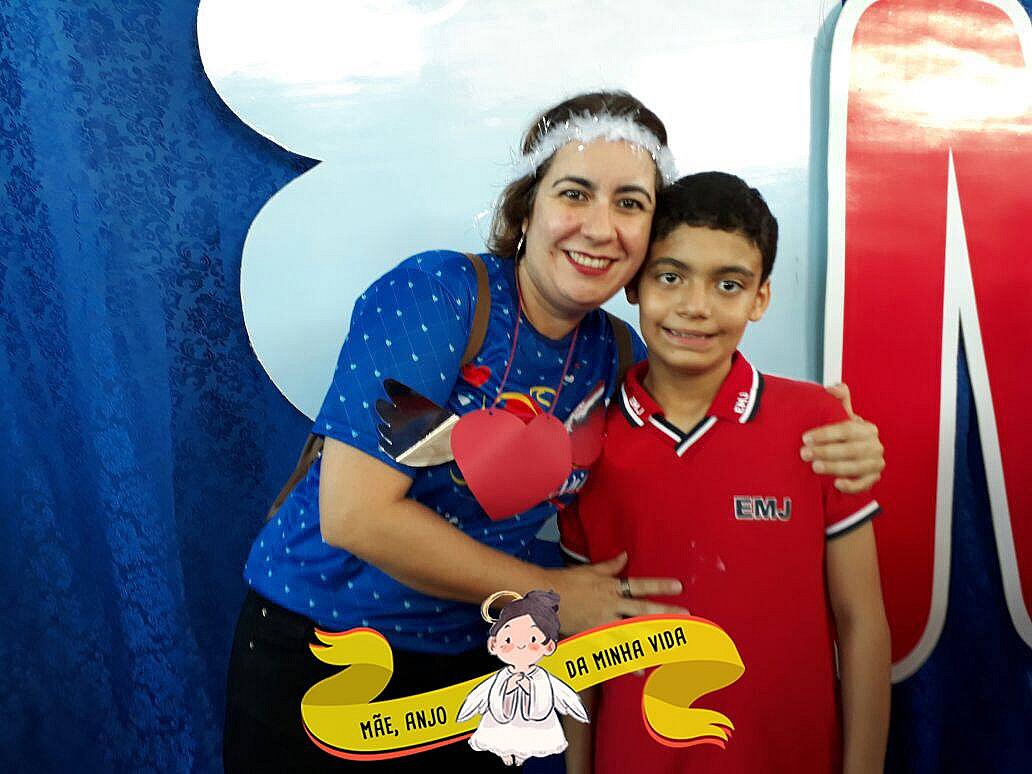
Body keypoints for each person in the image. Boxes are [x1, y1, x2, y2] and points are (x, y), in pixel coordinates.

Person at [223, 92, 885, 772]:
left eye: (629, 203)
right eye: (575, 193)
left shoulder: (616, 355)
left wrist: (841, 435)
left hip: (476, 667)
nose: (600, 227)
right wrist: (553, 595)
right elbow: (355, 515)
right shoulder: (437, 293)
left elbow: (712, 422)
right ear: (527, 207)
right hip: (328, 653)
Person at [559, 172, 891, 774]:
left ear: (760, 298)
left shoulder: (818, 425)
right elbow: (580, 644)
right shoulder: (587, 442)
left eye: (728, 284)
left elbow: (861, 621)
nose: (696, 306)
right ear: (633, 284)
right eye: (670, 277)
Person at [457, 590, 589, 766]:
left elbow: (564, 692)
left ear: (549, 646)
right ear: (494, 644)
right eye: (509, 640)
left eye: (532, 639)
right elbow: (480, 694)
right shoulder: (501, 676)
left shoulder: (542, 676)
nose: (520, 645)